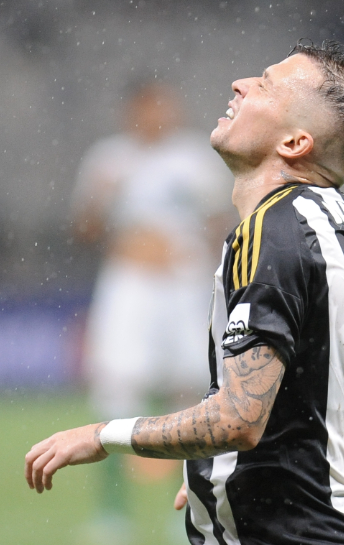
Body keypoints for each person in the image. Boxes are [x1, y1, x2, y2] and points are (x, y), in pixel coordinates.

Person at [27, 40, 344, 545]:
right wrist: (239, 470)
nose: (240, 83)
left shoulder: (272, 232)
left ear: (295, 143)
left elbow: (238, 419)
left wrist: (102, 436)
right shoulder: (342, 224)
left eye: (266, 85)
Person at [70, 81, 232, 540]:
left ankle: (185, 513)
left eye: (163, 106)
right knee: (117, 388)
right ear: (131, 112)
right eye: (147, 108)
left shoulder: (197, 160)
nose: (156, 116)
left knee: (190, 393)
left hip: (184, 286)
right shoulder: (108, 159)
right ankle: (111, 515)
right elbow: (84, 230)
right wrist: (101, 200)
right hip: (130, 287)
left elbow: (221, 227)